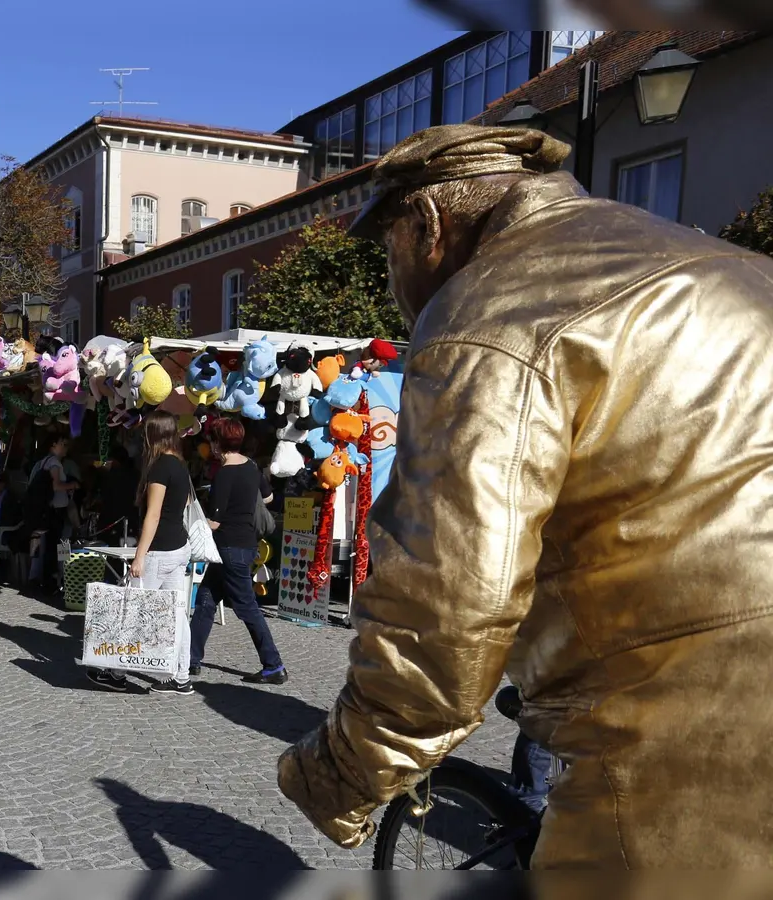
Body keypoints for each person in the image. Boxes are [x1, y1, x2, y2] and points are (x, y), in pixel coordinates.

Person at [276, 125, 773, 867]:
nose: (391, 280)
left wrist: (343, 769)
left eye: (388, 252)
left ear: (427, 225)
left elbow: (450, 597)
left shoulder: (493, 308)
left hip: (680, 731)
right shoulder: (739, 267)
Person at [94, 411, 193, 695]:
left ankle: (116, 672)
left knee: (133, 610)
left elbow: (152, 515)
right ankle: (182, 677)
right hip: (179, 547)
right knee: (177, 614)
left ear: (154, 435)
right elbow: (183, 504)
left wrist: (139, 555)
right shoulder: (180, 465)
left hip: (159, 550)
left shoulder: (161, 467)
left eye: (145, 433)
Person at [188, 419, 283, 683]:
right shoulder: (251, 468)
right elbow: (268, 498)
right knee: (205, 601)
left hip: (230, 547)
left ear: (218, 443)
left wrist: (191, 525)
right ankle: (191, 659)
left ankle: (273, 664)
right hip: (242, 545)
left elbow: (215, 521)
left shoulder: (225, 474)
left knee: (248, 609)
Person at [30, 434, 78, 596]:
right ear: (53, 445)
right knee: (59, 545)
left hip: (47, 510)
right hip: (56, 510)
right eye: (62, 443)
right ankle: (56, 579)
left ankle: (47, 578)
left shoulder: (41, 462)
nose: (65, 447)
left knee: (50, 545)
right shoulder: (55, 463)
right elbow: (56, 486)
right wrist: (72, 485)